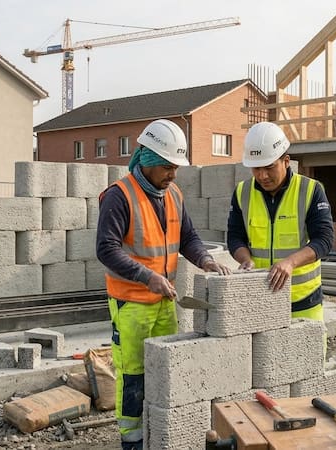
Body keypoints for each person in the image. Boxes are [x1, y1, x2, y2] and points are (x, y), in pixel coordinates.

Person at [97, 118, 232, 450]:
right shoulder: (119, 196)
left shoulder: (172, 193)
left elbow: (188, 236)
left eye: (176, 167)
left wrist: (204, 259)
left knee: (165, 370)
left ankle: (161, 431)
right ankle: (132, 440)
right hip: (131, 304)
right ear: (147, 160)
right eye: (167, 167)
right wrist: (147, 277)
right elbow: (106, 249)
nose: (173, 174)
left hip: (163, 301)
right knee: (134, 375)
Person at [227, 121, 334, 325]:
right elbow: (234, 236)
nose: (262, 176)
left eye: (269, 167)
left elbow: (325, 240)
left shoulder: (310, 190)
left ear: (286, 161)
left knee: (307, 356)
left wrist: (290, 262)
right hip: (260, 297)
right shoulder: (243, 192)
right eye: (256, 169)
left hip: (303, 299)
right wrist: (245, 259)